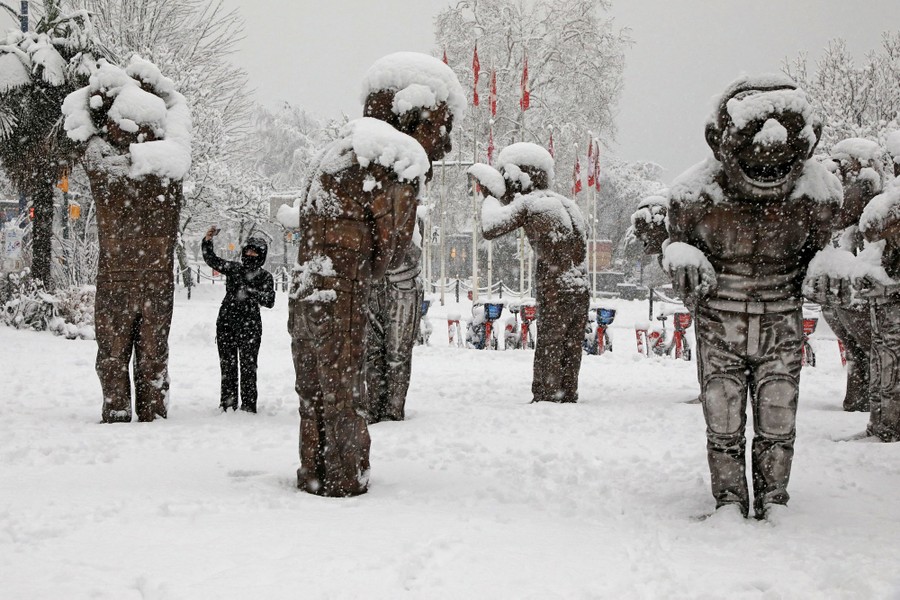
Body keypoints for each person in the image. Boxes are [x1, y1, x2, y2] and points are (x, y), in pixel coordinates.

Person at [278, 52, 464, 497]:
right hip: (341, 293)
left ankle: (314, 471)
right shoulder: (397, 158)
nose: (447, 144)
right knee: (346, 395)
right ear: (414, 115)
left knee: (315, 394)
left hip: (306, 290)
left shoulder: (335, 153)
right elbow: (390, 252)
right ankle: (344, 478)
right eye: (444, 127)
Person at [664, 74, 841, 520]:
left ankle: (773, 496)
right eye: (752, 139)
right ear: (718, 141)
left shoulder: (814, 193)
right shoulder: (696, 195)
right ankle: (728, 497)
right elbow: (674, 245)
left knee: (778, 415)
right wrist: (683, 258)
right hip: (719, 319)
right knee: (722, 416)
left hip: (781, 318)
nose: (770, 147)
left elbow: (824, 252)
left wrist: (826, 270)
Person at [63, 57, 192, 423]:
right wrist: (153, 86)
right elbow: (180, 111)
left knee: (111, 355)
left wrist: (108, 90)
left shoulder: (105, 165)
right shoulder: (170, 167)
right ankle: (153, 412)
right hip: (156, 280)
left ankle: (117, 410)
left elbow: (77, 119)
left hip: (115, 279)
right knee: (153, 355)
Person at [470, 142, 589, 404]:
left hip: (555, 285)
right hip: (580, 285)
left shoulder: (531, 204)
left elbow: (490, 227)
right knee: (571, 344)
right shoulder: (570, 206)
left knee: (550, 342)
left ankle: (546, 396)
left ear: (519, 176)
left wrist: (488, 194)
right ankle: (567, 392)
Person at [201, 228, 275, 413]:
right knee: (228, 366)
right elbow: (212, 260)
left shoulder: (265, 276)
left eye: (254, 252)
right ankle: (227, 404)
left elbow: (270, 300)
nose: (250, 254)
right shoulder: (234, 269)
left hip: (250, 326)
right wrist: (207, 240)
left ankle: (249, 406)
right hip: (226, 323)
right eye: (248, 251)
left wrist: (249, 291)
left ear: (261, 255)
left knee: (249, 367)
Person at [364, 216, 425, 423]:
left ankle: (392, 410)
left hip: (402, 281)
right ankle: (373, 407)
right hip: (371, 282)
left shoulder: (403, 193)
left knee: (397, 353)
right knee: (371, 352)